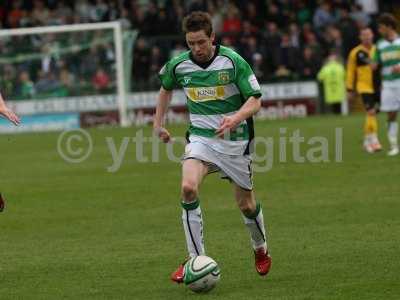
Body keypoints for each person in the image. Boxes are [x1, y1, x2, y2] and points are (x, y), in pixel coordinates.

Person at [153, 11, 271, 283]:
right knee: (188, 188)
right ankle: (195, 260)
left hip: (236, 142)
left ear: (212, 38)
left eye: (201, 42)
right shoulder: (178, 65)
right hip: (201, 140)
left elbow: (255, 100)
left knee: (246, 205)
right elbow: (165, 88)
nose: (196, 48)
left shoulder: (232, 61)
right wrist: (158, 124)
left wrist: (235, 117)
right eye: (191, 43)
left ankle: (260, 249)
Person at [346, 27, 382, 153]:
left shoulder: (378, 50)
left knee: (372, 114)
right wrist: (349, 89)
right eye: (364, 35)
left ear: (372, 35)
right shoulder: (355, 53)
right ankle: (374, 141)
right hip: (364, 87)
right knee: (371, 111)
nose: (366, 37)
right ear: (360, 37)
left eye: (368, 34)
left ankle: (367, 140)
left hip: (378, 86)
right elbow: (350, 71)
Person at [373, 13, 400, 156]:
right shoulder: (380, 45)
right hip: (388, 84)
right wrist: (373, 64)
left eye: (381, 27)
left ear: (389, 27)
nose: (379, 30)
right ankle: (394, 145)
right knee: (391, 114)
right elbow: (376, 62)